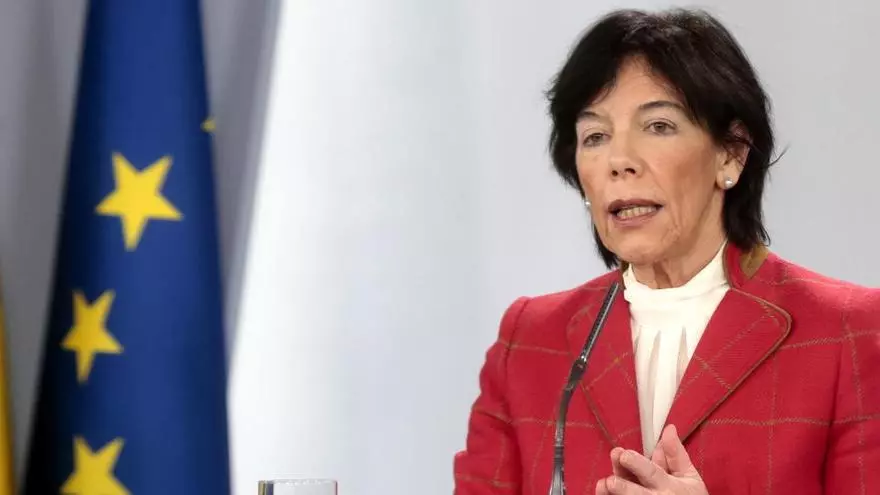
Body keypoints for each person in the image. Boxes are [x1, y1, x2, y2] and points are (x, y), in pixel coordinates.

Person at [453, 7, 880, 495]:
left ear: (731, 153)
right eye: (595, 136)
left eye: (658, 126)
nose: (619, 161)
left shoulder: (847, 331)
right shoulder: (530, 340)